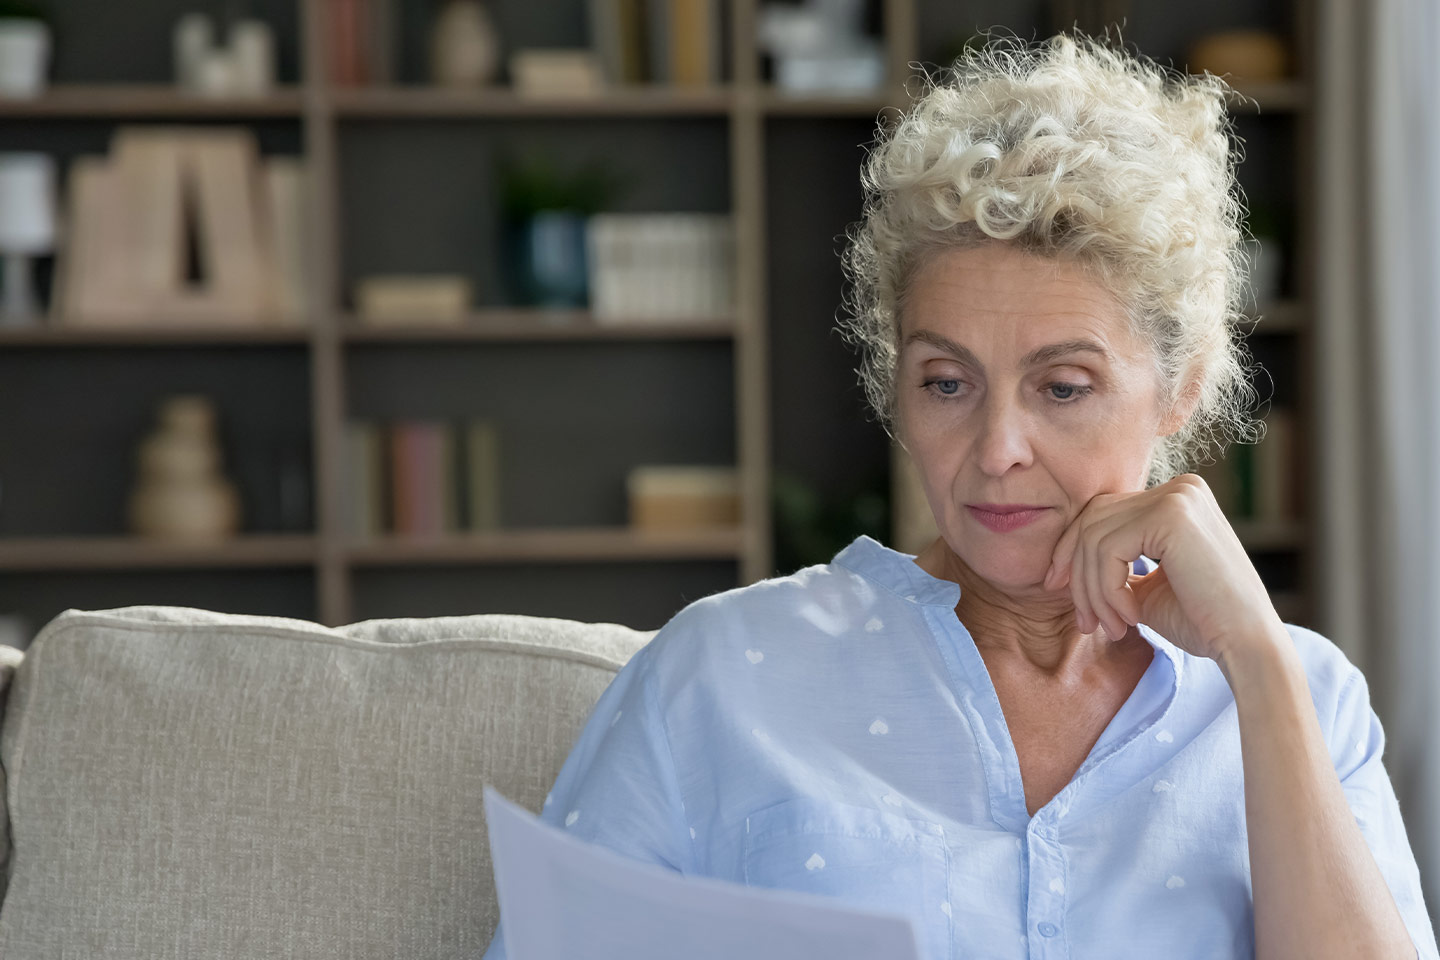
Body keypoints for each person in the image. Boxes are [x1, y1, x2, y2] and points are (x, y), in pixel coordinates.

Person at [482, 31, 1439, 959]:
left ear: (1180, 388)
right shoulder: (722, 676)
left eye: (1063, 388)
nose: (998, 449)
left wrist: (1257, 661)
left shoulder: (1305, 699)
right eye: (948, 382)